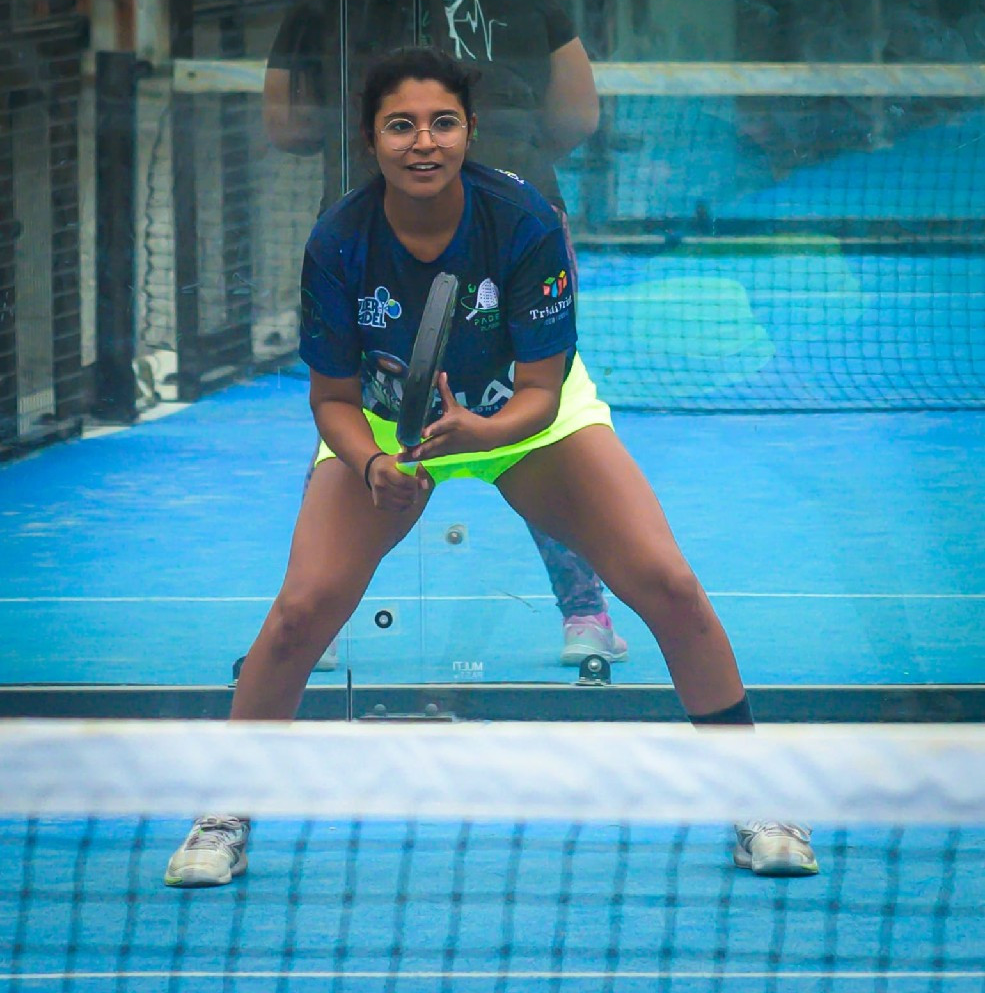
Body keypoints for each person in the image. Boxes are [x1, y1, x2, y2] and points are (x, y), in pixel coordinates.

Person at [164, 48, 817, 887]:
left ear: (469, 130)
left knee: (668, 584)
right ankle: (222, 815)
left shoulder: (522, 221)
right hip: (386, 427)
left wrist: (483, 432)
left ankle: (758, 801)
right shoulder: (338, 240)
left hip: (522, 417)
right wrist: (370, 463)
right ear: (371, 139)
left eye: (442, 123)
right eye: (400, 126)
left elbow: (542, 390)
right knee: (299, 613)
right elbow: (330, 397)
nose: (423, 142)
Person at [262, 0, 627, 669]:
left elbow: (287, 125)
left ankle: (317, 621)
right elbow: (577, 115)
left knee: (360, 411)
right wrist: (505, 154)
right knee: (530, 406)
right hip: (506, 223)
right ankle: (585, 613)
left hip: (387, 228)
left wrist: (377, 138)